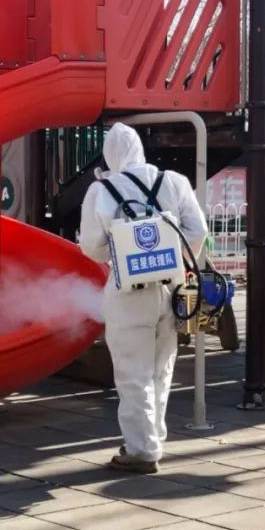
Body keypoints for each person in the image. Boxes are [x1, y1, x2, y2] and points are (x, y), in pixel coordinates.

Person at [79, 123, 208, 474]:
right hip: (170, 288)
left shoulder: (101, 190)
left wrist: (117, 252)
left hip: (128, 293)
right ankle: (153, 439)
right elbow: (198, 231)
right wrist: (177, 260)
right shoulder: (174, 181)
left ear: (110, 155)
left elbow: (91, 246)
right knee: (161, 369)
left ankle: (141, 450)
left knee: (132, 372)